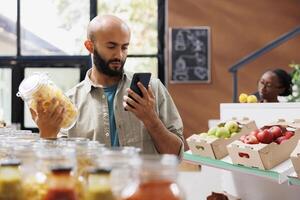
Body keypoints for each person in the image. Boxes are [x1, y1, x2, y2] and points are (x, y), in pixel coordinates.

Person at [30, 14, 184, 156]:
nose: (119, 55)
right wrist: (47, 134)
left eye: (124, 47)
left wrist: (151, 119)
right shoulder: (70, 103)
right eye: (111, 47)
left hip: (144, 186)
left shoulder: (152, 90)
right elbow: (58, 166)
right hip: (94, 186)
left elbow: (175, 155)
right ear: (90, 46)